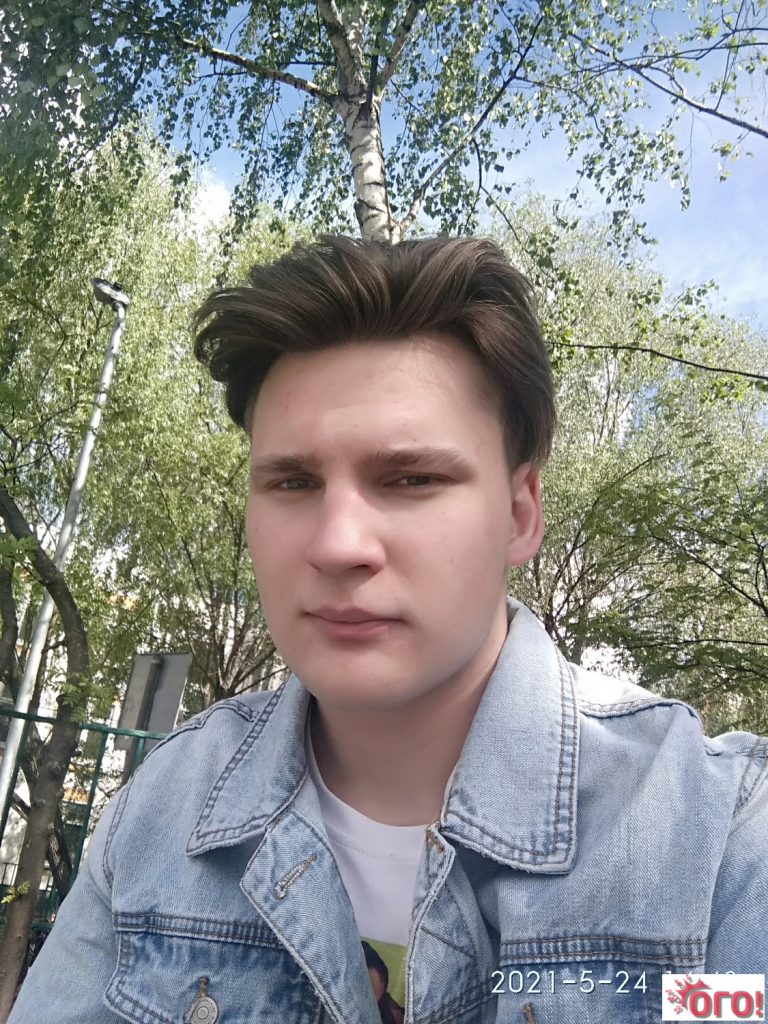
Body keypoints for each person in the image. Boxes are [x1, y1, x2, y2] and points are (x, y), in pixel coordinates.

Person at [8, 235, 767, 1024]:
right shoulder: (163, 812)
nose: (339, 544)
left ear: (519, 515)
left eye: (411, 479)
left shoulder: (718, 842)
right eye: (293, 482)